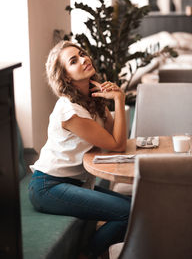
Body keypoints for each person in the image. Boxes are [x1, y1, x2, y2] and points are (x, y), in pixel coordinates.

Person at [28, 40, 131, 259]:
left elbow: (116, 140)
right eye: (74, 61)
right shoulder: (69, 110)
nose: (84, 59)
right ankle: (88, 254)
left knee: (133, 206)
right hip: (48, 186)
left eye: (82, 54)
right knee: (128, 212)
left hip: (74, 183)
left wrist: (110, 100)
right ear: (65, 76)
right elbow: (118, 144)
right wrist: (119, 100)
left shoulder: (91, 100)